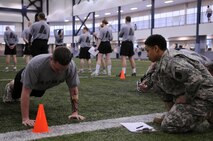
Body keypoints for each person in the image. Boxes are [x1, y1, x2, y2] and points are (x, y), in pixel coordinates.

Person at [139, 34, 213, 133]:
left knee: (168, 125)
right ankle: (173, 113)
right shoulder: (162, 60)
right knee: (158, 83)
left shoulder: (173, 61)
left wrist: (187, 97)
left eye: (148, 51)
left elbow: (196, 78)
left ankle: (208, 112)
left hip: (205, 95)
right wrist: (147, 85)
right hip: (197, 92)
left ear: (156, 48)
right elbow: (156, 77)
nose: (147, 54)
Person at [3, 47, 85, 126]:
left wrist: (75, 112)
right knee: (15, 96)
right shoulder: (35, 65)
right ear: (51, 59)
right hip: (24, 79)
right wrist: (25, 118)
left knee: (39, 93)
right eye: (57, 69)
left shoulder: (71, 67)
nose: (60, 72)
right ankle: (11, 85)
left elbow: (73, 89)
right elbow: (26, 91)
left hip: (42, 84)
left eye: (63, 70)